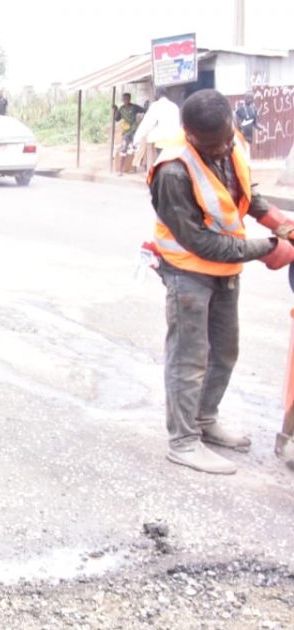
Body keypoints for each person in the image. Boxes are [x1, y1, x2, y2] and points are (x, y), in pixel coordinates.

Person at [149, 89, 294, 475]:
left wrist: (278, 221)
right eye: (213, 145)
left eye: (227, 139)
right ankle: (182, 441)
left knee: (225, 352)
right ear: (189, 134)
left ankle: (203, 419)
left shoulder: (232, 141)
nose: (223, 149)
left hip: (225, 271)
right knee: (189, 358)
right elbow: (198, 240)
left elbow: (244, 193)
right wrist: (266, 247)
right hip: (188, 272)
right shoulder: (173, 170)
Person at [134, 89, 182, 169]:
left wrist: (137, 138)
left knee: (163, 165)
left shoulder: (156, 105)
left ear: (157, 95)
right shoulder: (174, 106)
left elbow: (147, 124)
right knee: (172, 164)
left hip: (163, 141)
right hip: (176, 141)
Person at [113, 93, 145, 174]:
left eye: (127, 99)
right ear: (122, 100)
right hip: (126, 132)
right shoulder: (121, 109)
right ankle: (120, 170)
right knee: (123, 149)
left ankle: (134, 169)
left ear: (129, 99)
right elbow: (117, 119)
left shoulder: (134, 107)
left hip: (134, 131)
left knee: (134, 150)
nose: (125, 100)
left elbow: (144, 110)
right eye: (124, 99)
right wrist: (116, 110)